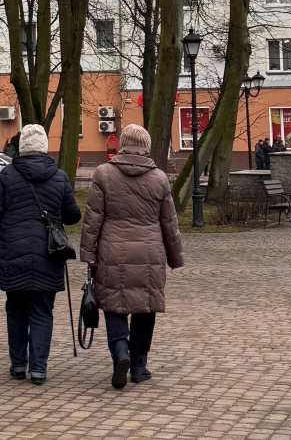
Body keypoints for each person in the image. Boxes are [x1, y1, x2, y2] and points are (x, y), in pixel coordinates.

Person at [80, 124, 184, 390]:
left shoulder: (103, 174)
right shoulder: (159, 178)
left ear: (122, 144)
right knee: (145, 305)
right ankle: (139, 365)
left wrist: (88, 254)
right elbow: (168, 222)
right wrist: (175, 257)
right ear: (146, 147)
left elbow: (93, 219)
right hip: (150, 250)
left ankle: (120, 352)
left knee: (114, 302)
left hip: (112, 249)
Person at [0, 124, 82, 385]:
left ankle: (18, 365)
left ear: (21, 149)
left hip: (12, 250)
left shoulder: (7, 174)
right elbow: (73, 215)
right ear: (44, 147)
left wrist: (9, 224)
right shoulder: (59, 176)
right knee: (42, 310)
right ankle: (38, 369)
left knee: (15, 309)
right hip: (48, 253)